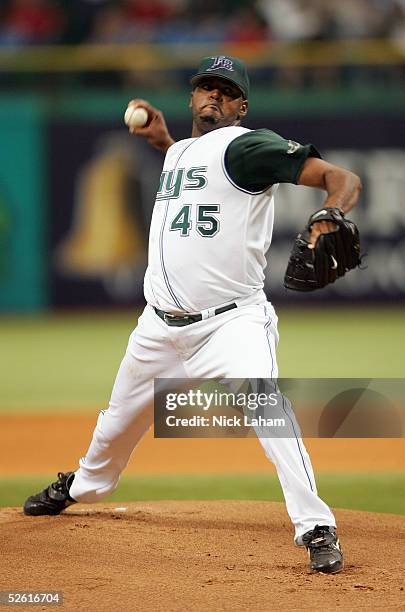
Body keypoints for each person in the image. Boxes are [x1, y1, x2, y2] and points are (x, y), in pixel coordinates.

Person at [24, 55, 361, 574]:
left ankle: (315, 524)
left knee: (267, 409)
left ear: (240, 105)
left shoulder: (250, 145)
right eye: (204, 87)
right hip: (158, 326)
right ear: (191, 99)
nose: (212, 96)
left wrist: (330, 211)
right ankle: (86, 485)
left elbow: (340, 176)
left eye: (224, 90)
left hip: (230, 323)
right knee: (114, 425)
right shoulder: (181, 152)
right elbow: (189, 163)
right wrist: (161, 139)